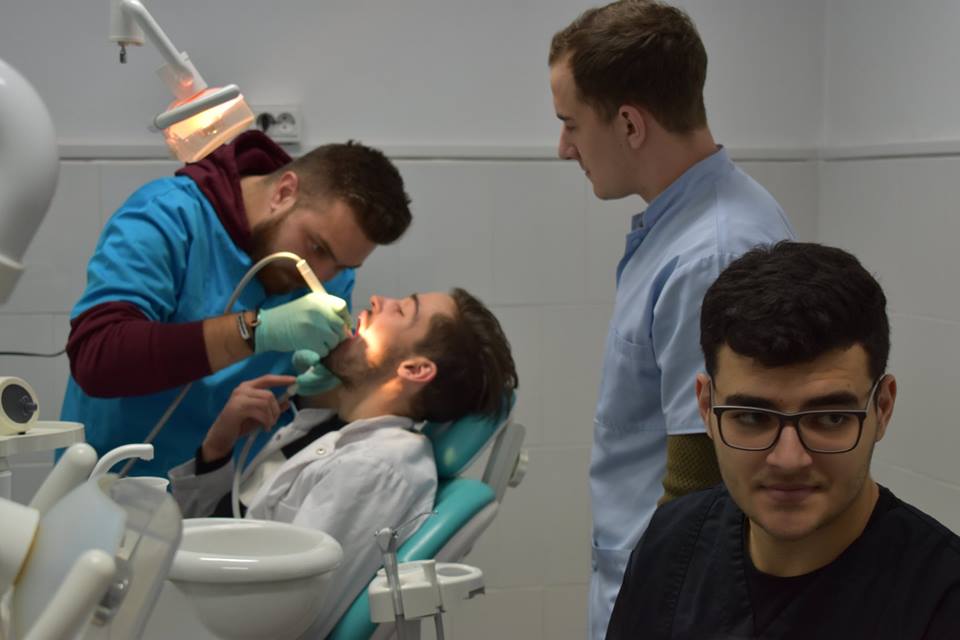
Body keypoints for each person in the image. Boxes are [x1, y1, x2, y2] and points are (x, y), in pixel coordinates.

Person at [547, 2, 796, 635]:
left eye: (571, 124)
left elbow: (707, 474)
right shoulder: (683, 228)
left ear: (630, 124)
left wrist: (659, 605)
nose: (564, 148)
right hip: (648, 580)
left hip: (670, 600)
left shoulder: (713, 253)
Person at [607, 242, 960, 639]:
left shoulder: (941, 601)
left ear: (883, 407)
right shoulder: (671, 546)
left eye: (829, 418)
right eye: (752, 418)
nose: (789, 459)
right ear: (706, 408)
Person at [168, 288, 518, 638]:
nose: (378, 300)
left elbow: (278, 612)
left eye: (401, 310)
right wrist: (217, 448)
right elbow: (222, 539)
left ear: (414, 369)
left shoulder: (376, 469)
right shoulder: (334, 431)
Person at [61, 131, 413, 476]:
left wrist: (319, 387)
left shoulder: (331, 274)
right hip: (115, 478)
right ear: (284, 192)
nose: (322, 276)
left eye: (343, 266)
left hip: (221, 489)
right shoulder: (169, 215)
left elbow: (302, 399)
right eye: (317, 248)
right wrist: (254, 330)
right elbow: (97, 356)